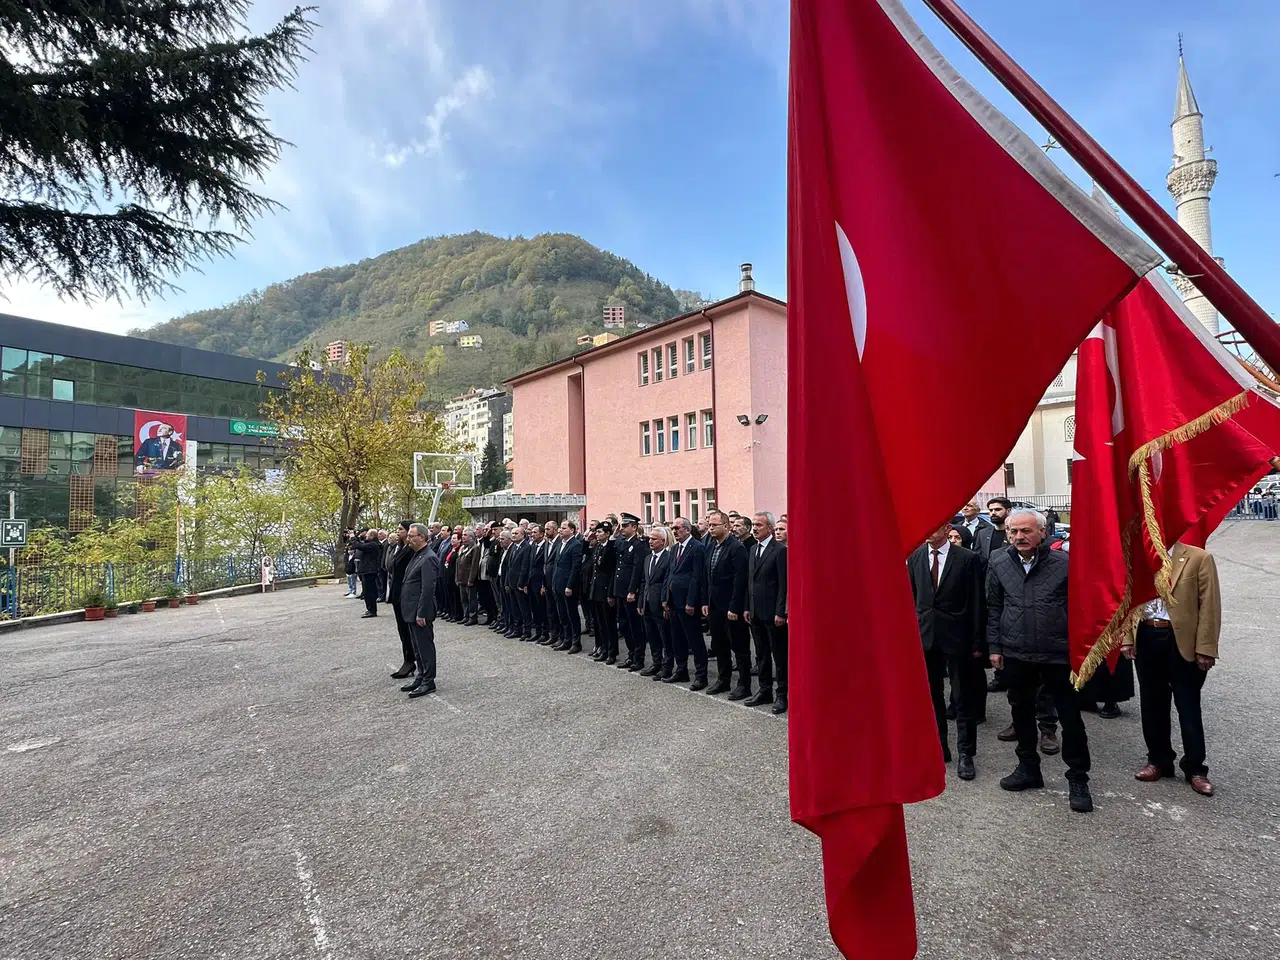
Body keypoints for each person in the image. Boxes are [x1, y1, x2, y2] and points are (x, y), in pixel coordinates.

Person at [987, 508, 1092, 813]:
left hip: (1058, 654)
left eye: (1025, 531)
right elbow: (993, 606)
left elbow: (1079, 608)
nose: (1019, 537)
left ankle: (1078, 778)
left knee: (1071, 718)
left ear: (1042, 532)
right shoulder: (997, 561)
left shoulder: (1064, 563)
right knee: (1020, 713)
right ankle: (1028, 769)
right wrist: (995, 646)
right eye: (1013, 531)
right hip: (1016, 652)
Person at [1122, 541, 1222, 797]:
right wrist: (1127, 639)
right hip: (1147, 636)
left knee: (1188, 706)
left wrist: (1206, 648)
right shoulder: (1138, 556)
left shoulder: (1198, 558)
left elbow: (1209, 606)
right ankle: (1159, 760)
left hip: (1182, 642)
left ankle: (1196, 768)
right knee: (1152, 704)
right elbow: (1128, 597)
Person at [908, 522, 985, 780]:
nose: (928, 531)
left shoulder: (967, 559)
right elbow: (912, 598)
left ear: (946, 528)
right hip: (926, 637)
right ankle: (940, 747)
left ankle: (966, 752)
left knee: (962, 697)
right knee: (932, 696)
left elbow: (976, 602)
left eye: (934, 526)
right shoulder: (916, 557)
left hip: (958, 637)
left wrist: (977, 642)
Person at [702, 510, 750, 698]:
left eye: (715, 525)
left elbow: (740, 580)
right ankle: (723, 679)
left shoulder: (736, 548)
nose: (711, 528)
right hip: (714, 605)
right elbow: (708, 576)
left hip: (731, 607)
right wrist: (706, 601)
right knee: (719, 644)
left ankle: (744, 684)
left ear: (726, 526)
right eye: (710, 525)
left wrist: (735, 606)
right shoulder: (712, 546)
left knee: (739, 646)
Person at [745, 511, 788, 714]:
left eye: (759, 525)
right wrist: (747, 607)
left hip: (773, 614)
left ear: (770, 528)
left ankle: (782, 695)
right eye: (753, 525)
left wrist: (781, 612)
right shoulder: (753, 549)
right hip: (755, 612)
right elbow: (750, 581)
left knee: (778, 656)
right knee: (761, 653)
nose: (754, 528)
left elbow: (783, 585)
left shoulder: (779, 551)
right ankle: (764, 690)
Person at [663, 517, 707, 688]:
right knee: (677, 638)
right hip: (674, 601)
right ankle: (681, 671)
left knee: (694, 640)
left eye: (677, 528)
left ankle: (701, 675)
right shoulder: (674, 549)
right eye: (672, 528)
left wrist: (691, 601)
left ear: (687, 530)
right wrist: (666, 597)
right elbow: (670, 574)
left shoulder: (697, 548)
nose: (674, 531)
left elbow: (697, 577)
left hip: (688, 602)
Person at [399, 523, 440, 698]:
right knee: (416, 647)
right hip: (410, 610)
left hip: (419, 611)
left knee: (425, 647)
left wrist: (422, 612)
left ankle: (428, 681)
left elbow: (427, 588)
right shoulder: (417, 555)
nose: (408, 538)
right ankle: (422, 675)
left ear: (422, 537)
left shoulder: (429, 557)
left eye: (411, 536)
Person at [612, 513, 647, 670]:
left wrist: (632, 591)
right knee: (624, 625)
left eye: (625, 526)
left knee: (635, 627)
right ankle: (631, 654)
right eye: (621, 526)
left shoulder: (639, 545)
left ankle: (638, 658)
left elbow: (637, 570)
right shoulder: (622, 543)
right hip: (620, 590)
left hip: (630, 592)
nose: (622, 529)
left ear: (634, 527)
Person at [638, 525, 673, 678]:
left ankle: (667, 666)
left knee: (665, 637)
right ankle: (656, 663)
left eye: (654, 539)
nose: (650, 541)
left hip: (660, 603)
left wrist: (666, 602)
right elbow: (644, 582)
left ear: (663, 541)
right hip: (647, 602)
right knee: (652, 636)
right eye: (649, 538)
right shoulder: (648, 558)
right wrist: (641, 602)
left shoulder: (668, 558)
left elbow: (667, 582)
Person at [386, 523, 416, 678]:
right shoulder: (400, 548)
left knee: (408, 630)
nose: (397, 532)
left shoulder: (410, 550)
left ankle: (411, 660)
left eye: (400, 529)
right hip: (397, 593)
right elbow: (390, 566)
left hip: (405, 594)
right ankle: (407, 659)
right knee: (402, 629)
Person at [589, 521, 619, 662]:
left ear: (608, 534)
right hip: (596, 589)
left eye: (600, 532)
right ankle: (602, 647)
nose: (597, 534)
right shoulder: (598, 546)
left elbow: (608, 565)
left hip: (606, 590)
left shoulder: (611, 548)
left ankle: (611, 652)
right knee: (599, 622)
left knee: (609, 623)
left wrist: (610, 594)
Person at [552, 519, 584, 653]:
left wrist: (569, 585)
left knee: (572, 614)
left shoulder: (575, 544)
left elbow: (575, 567)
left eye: (564, 528)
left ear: (572, 530)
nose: (560, 530)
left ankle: (576, 643)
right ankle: (567, 639)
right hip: (558, 584)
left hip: (568, 586)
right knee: (563, 614)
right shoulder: (560, 544)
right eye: (560, 527)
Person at [503, 526, 533, 639]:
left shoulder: (526, 547)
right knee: (514, 607)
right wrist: (507, 582)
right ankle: (517, 629)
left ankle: (527, 631)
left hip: (519, 584)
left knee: (523, 608)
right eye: (512, 533)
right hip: (511, 582)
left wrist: (521, 583)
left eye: (516, 533)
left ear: (522, 535)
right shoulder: (514, 547)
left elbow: (524, 567)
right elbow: (509, 567)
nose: (513, 535)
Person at [349, 529, 383, 619]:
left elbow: (358, 545)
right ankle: (370, 609)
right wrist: (355, 537)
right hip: (367, 570)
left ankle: (372, 610)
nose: (366, 536)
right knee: (368, 591)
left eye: (367, 535)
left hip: (369, 570)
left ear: (372, 535)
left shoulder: (373, 545)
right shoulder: (371, 543)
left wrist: (353, 537)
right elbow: (360, 543)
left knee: (369, 592)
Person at [540, 520, 563, 645]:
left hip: (556, 582)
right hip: (547, 583)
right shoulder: (547, 543)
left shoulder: (560, 543)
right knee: (550, 611)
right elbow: (545, 564)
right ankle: (553, 635)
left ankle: (562, 636)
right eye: (545, 529)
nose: (546, 532)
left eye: (548, 529)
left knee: (559, 611)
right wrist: (543, 584)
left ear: (555, 530)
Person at [527, 522, 549, 642]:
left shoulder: (545, 547)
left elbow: (544, 567)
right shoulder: (533, 546)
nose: (532, 534)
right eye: (532, 532)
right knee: (534, 609)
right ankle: (538, 631)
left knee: (542, 609)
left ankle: (545, 632)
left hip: (540, 582)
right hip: (531, 582)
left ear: (541, 534)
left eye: (535, 532)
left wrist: (543, 585)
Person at [454, 529, 481, 625]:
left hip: (469, 579)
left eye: (465, 535)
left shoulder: (475, 548)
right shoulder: (462, 547)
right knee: (463, 599)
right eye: (463, 535)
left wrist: (471, 579)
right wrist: (457, 578)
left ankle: (473, 617)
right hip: (461, 578)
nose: (463, 537)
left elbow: (474, 565)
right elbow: (458, 564)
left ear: (471, 537)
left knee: (471, 599)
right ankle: (466, 616)